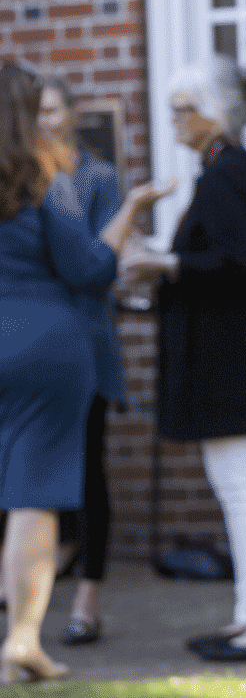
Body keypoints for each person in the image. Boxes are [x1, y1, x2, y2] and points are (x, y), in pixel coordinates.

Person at [122, 55, 246, 662]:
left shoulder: (229, 173)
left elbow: (240, 266)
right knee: (237, 487)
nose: (172, 118)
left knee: (243, 488)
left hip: (231, 370)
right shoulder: (223, 170)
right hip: (230, 368)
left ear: (211, 115)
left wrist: (163, 263)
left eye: (182, 109)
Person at [0, 61, 165, 683]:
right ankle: (22, 641)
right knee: (33, 497)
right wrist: (130, 211)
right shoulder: (44, 178)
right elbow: (93, 268)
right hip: (47, 347)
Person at [34, 75, 123, 647]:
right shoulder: (17, 175)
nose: (44, 119)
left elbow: (100, 260)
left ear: (70, 113)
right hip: (30, 340)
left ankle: (87, 599)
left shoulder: (97, 178)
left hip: (85, 339)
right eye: (35, 110)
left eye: (53, 109)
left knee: (88, 468)